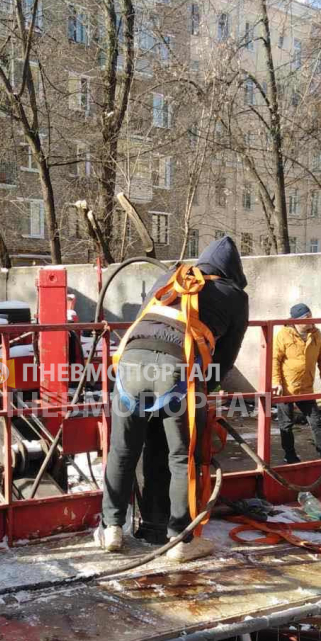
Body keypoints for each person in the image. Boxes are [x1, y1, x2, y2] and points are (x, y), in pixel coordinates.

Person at [98, 236, 249, 562]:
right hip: (175, 368)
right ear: (232, 273)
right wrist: (205, 392)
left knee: (122, 451)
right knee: (182, 457)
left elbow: (142, 318)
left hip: (129, 362)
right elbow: (225, 357)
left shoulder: (172, 277)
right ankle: (181, 540)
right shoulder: (236, 296)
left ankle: (111, 528)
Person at [272, 303, 321, 463]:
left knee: (316, 421)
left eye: (312, 316)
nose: (312, 320)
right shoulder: (283, 334)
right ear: (297, 321)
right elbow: (274, 359)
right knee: (286, 424)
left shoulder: (316, 334)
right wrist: (276, 382)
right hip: (286, 389)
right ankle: (290, 456)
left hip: (306, 388)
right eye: (308, 317)